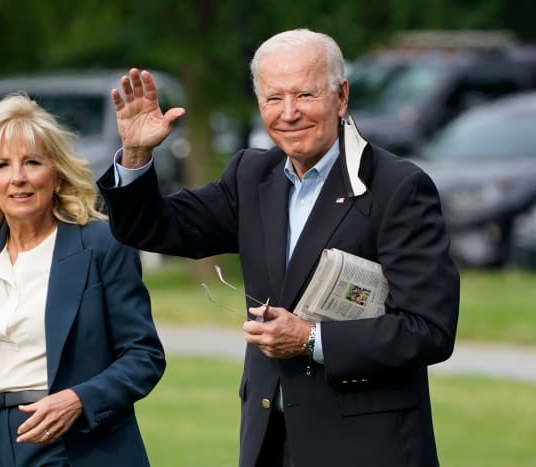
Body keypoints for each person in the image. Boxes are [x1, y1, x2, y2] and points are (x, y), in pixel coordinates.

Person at [97, 28, 460, 467]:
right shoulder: (252, 176)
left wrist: (310, 339)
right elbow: (153, 228)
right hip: (270, 442)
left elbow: (428, 330)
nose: (289, 113)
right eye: (273, 99)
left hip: (367, 447)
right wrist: (135, 154)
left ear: (341, 97)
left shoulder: (398, 188)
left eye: (305, 94)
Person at [0, 93, 165, 467]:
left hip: (79, 446)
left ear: (55, 173)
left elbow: (144, 356)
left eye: (32, 162)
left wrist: (79, 400)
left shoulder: (102, 244)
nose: (17, 178)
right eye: (2, 165)